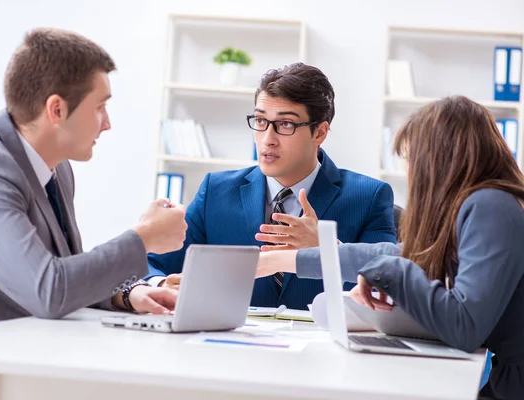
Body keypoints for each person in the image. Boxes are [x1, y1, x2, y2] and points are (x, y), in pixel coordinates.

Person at [0, 28, 188, 335]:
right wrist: (143, 238)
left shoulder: (56, 166)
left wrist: (125, 295)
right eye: (100, 107)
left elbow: (62, 270)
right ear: (57, 110)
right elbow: (48, 290)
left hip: (17, 350)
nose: (108, 123)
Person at [257, 96, 524, 399]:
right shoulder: (487, 203)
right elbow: (394, 255)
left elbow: (464, 326)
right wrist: (283, 260)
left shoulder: (490, 205)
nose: (411, 174)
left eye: (412, 160)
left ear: (441, 160)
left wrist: (388, 273)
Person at [146, 63, 396, 310]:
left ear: (319, 133)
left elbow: (389, 287)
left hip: (325, 346)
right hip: (231, 341)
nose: (267, 139)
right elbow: (151, 265)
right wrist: (162, 285)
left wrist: (329, 250)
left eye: (286, 124)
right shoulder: (216, 190)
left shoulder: (370, 197)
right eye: (260, 120)